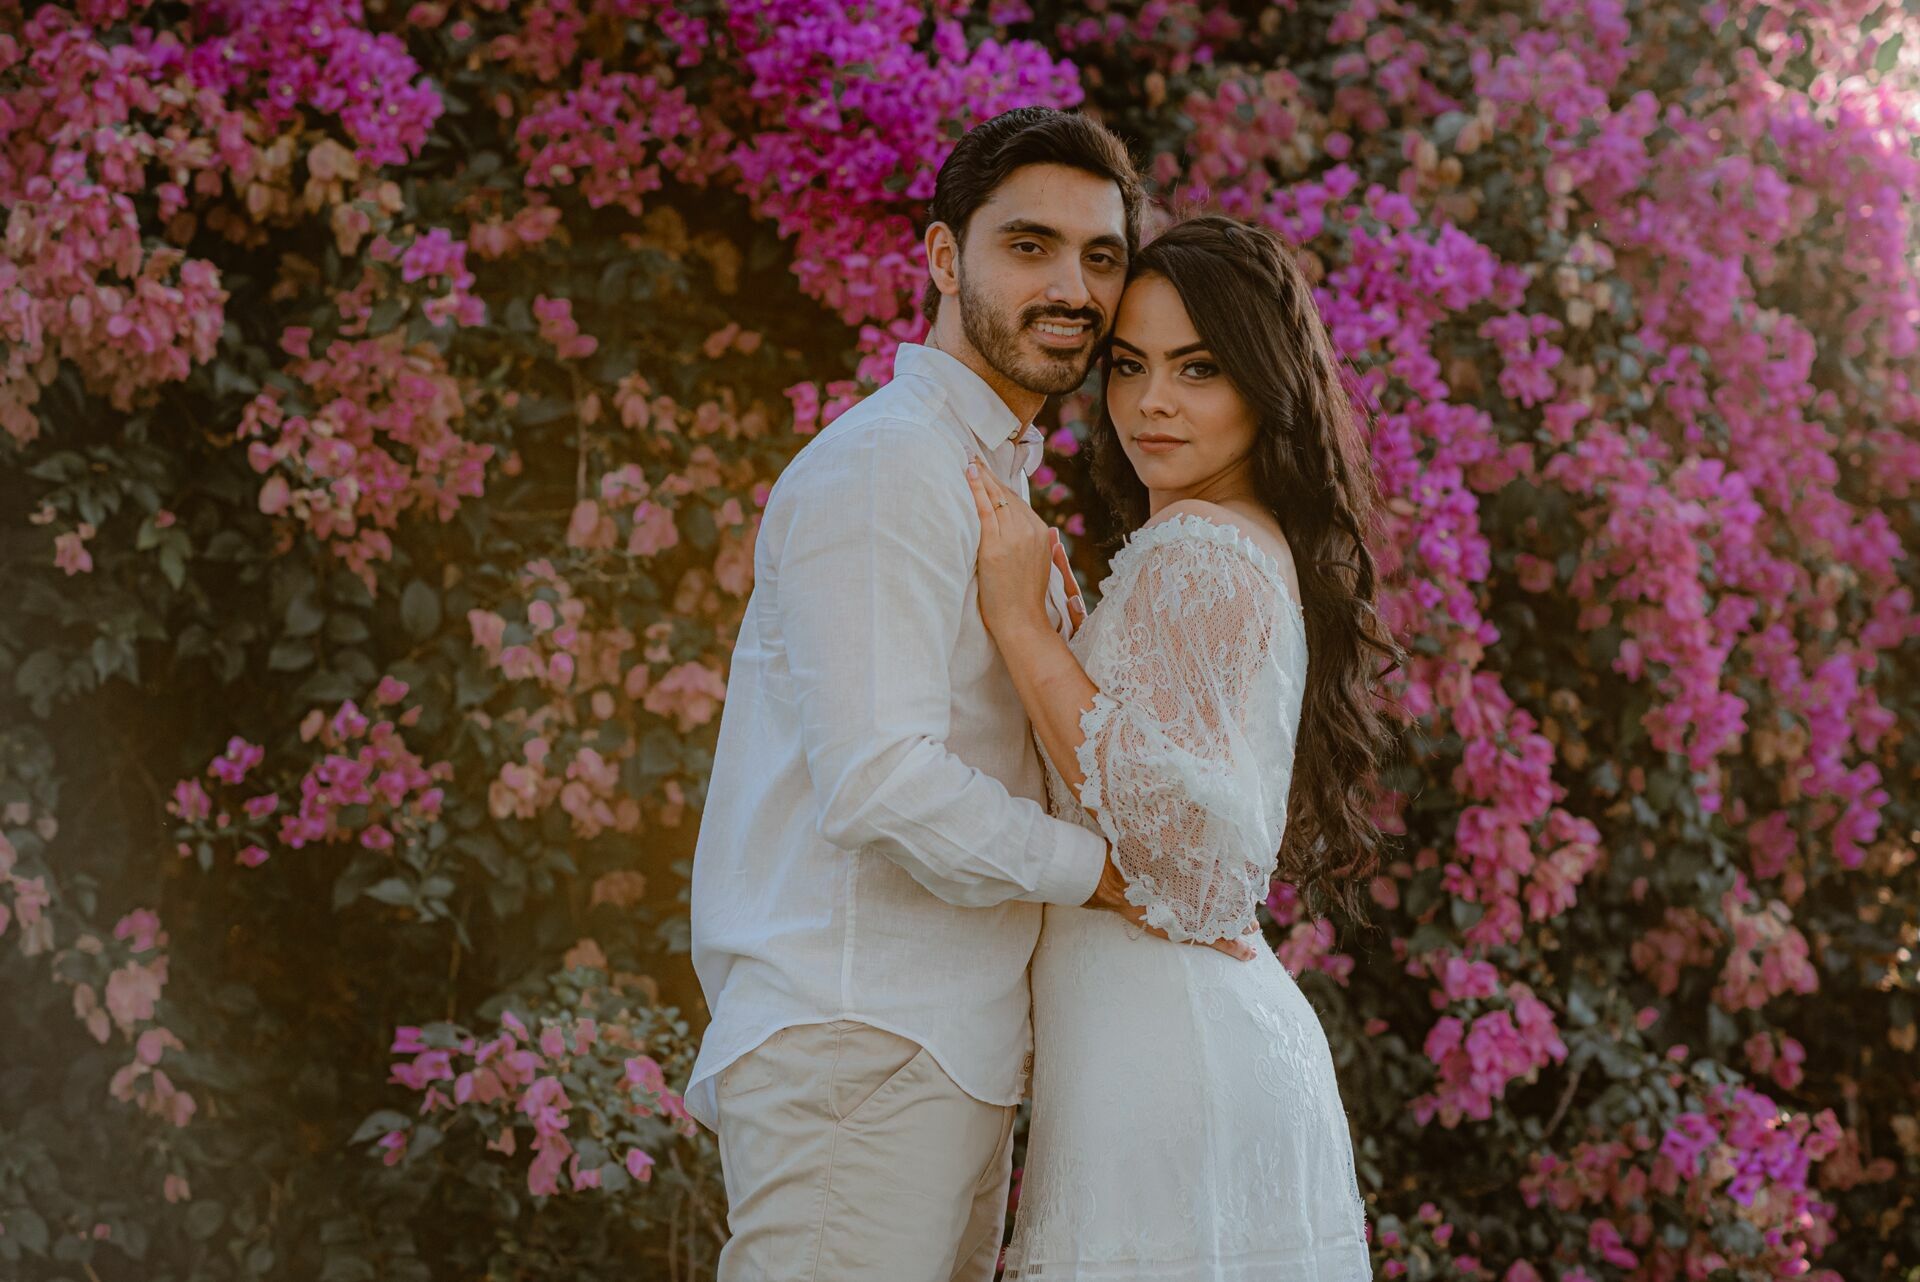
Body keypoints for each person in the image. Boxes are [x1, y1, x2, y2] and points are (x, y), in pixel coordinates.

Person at [685, 109, 1252, 1282]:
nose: (1074, 286)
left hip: (941, 1051)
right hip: (858, 1037)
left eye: (1101, 256)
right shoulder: (892, 464)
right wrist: (1106, 874)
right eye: (1029, 245)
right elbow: (881, 780)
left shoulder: (987, 478)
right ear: (945, 259)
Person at [966, 213, 1400, 1280]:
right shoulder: (1224, 543)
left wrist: (1023, 629)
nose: (1150, 402)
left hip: (1169, 1048)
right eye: (1129, 365)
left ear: (1263, 382)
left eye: (1198, 368)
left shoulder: (1201, 548)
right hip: (1169, 1043)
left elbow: (1191, 859)